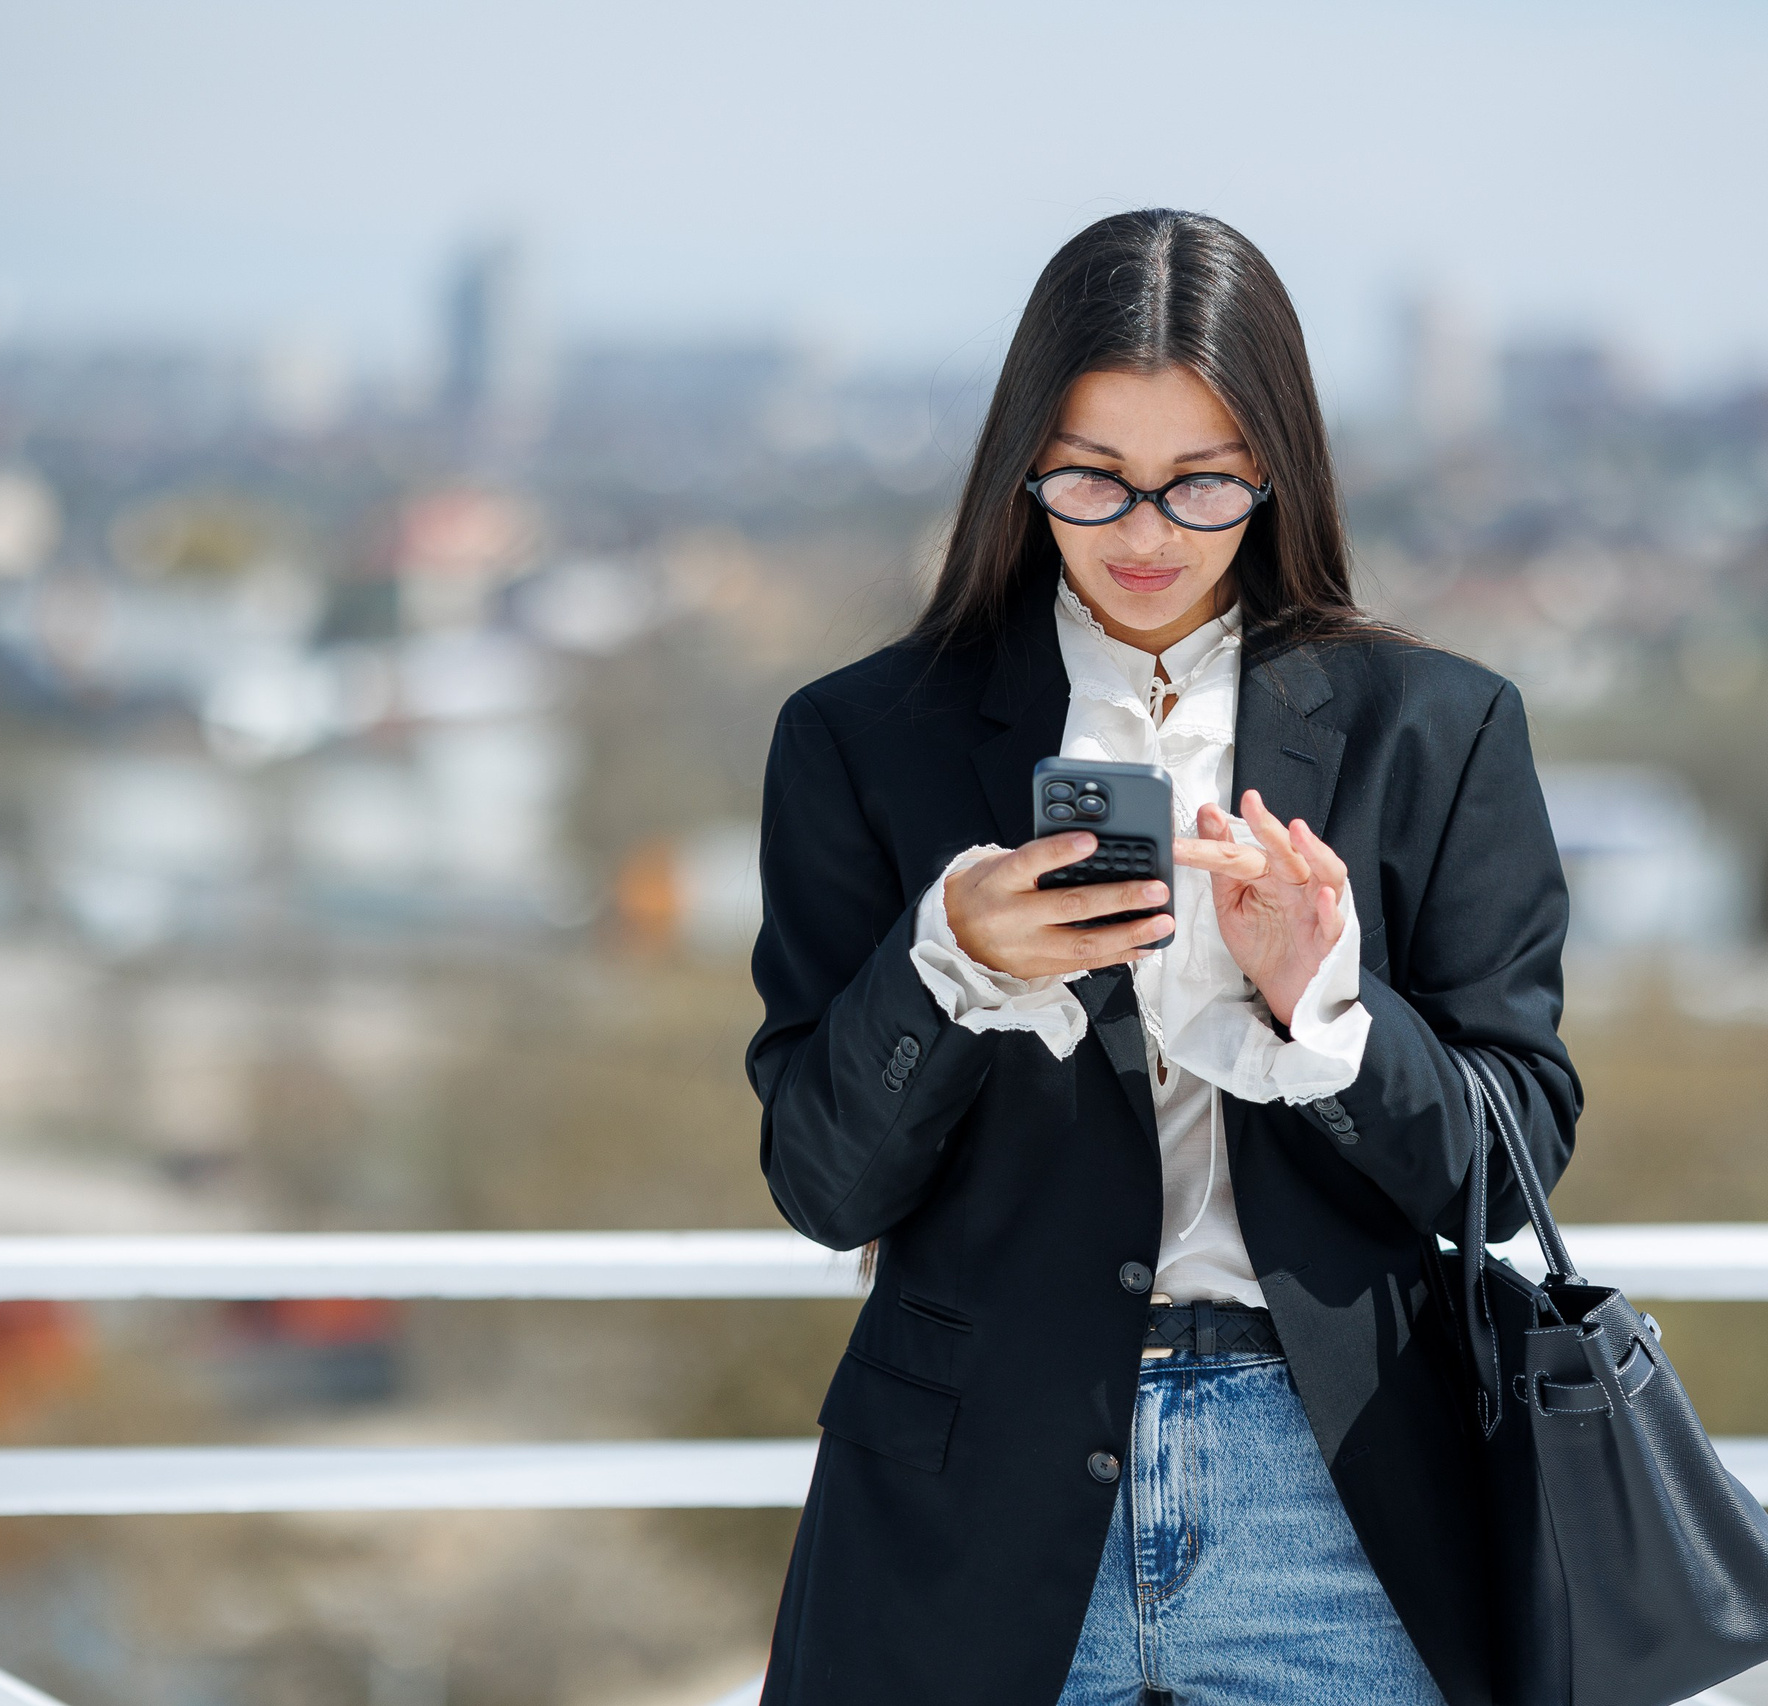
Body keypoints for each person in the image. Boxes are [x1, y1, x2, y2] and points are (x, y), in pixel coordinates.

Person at [746, 209, 1580, 1706]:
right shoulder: (865, 738)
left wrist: (1324, 1003)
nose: (1142, 533)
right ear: (1022, 466)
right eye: (1092, 477)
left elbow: (1508, 1169)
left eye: (1200, 483)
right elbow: (822, 1185)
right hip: (968, 1492)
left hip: (1341, 1493)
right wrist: (947, 963)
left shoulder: (1437, 731)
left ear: (1276, 470)